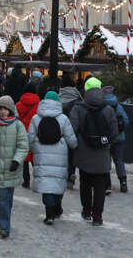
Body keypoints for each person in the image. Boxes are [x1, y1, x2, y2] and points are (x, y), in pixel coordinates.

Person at [68, 77, 118, 226]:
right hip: (102, 155)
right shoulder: (108, 109)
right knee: (100, 186)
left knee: (85, 183)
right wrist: (107, 144)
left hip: (83, 154)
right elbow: (114, 131)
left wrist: (77, 145)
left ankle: (86, 211)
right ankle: (97, 216)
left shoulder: (78, 108)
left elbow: (72, 129)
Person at [28, 91, 78, 225]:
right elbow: (72, 141)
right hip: (60, 154)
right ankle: (57, 206)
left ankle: (49, 214)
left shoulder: (35, 118)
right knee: (58, 180)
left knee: (46, 183)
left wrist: (36, 150)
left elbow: (30, 139)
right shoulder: (63, 118)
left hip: (41, 154)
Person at [0, 95, 29, 238]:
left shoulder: (18, 125)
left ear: (10, 109)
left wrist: (16, 160)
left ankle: (6, 219)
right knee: (2, 198)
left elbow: (23, 146)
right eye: (0, 109)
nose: (3, 112)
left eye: (5, 109)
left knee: (8, 198)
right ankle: (4, 227)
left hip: (12, 167)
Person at [103, 85, 130, 194]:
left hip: (107, 138)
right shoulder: (118, 106)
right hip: (119, 139)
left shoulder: (103, 107)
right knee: (119, 160)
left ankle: (107, 185)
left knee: (106, 161)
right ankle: (123, 181)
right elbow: (126, 121)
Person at [60, 82, 83, 189]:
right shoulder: (78, 102)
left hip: (63, 132)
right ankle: (71, 174)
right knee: (74, 154)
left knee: (65, 155)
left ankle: (67, 175)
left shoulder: (60, 101)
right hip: (76, 132)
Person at [16, 83, 40, 189]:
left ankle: (26, 181)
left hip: (22, 133)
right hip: (35, 133)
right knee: (35, 157)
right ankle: (38, 181)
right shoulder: (39, 104)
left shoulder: (18, 105)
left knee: (24, 158)